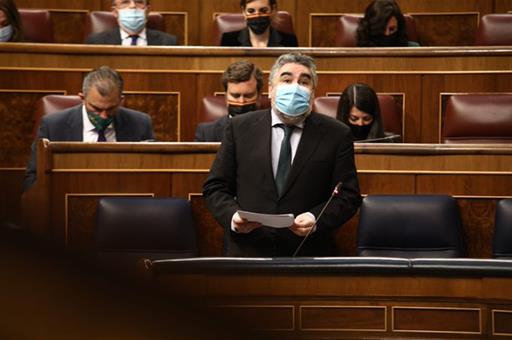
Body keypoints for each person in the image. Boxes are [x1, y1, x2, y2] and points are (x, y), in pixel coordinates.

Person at [203, 52, 361, 257]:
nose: (295, 87)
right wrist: (233, 217)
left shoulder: (336, 134)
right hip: (247, 251)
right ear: (270, 89)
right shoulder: (239, 127)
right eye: (286, 79)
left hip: (307, 252)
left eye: (304, 82)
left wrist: (316, 219)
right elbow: (215, 187)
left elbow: (348, 195)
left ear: (313, 92)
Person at [23, 66, 155, 191]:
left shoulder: (140, 124)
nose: (103, 116)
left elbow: (151, 176)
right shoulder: (54, 126)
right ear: (82, 98)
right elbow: (33, 178)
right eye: (96, 109)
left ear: (121, 100)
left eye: (110, 109)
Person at [195, 60, 264, 142]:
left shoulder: (273, 130)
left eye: (248, 96)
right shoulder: (206, 133)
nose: (241, 102)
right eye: (235, 96)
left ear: (259, 96)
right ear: (226, 97)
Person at [85, 0, 177, 46]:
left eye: (139, 2)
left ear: (148, 10)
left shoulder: (169, 42)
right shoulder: (96, 42)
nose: (133, 6)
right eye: (125, 2)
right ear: (115, 12)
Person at [221, 0, 298, 47]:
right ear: (243, 12)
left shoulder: (289, 41)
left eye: (264, 10)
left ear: (273, 10)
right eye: (251, 11)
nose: (257, 15)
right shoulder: (228, 40)